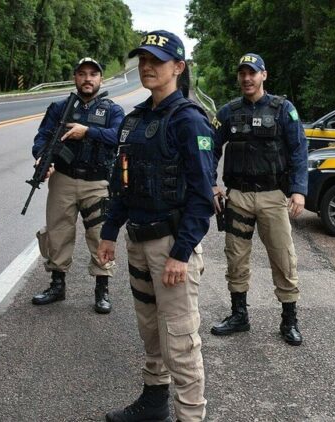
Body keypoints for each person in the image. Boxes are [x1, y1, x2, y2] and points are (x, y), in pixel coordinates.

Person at [97, 30, 214, 422]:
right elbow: (122, 183)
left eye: (157, 61)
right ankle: (154, 403)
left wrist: (181, 254)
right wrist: (110, 231)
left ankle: (190, 416)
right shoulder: (134, 121)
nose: (147, 66)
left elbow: (202, 196)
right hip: (138, 242)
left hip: (171, 247)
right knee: (151, 331)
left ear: (178, 68)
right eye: (143, 60)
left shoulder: (189, 121)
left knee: (180, 340)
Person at [210, 53, 308, 346]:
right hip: (237, 196)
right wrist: (212, 186)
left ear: (263, 75)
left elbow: (298, 150)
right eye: (242, 73)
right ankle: (239, 315)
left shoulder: (282, 109)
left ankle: (289, 320)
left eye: (252, 73)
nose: (246, 78)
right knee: (236, 258)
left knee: (283, 258)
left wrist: (299, 190)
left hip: (272, 196)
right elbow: (210, 148)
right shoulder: (228, 112)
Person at [31, 57, 124, 314]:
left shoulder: (112, 110)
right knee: (58, 232)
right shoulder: (60, 108)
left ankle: (102, 289)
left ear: (100, 79)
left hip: (98, 181)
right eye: (82, 74)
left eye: (93, 74)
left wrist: (89, 131)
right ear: (75, 77)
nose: (87, 78)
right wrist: (41, 156)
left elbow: (119, 137)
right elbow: (43, 136)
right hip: (63, 178)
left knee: (99, 235)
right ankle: (57, 285)